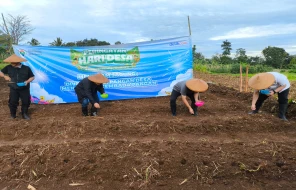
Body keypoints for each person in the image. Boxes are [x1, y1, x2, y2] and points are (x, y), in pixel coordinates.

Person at [0, 54, 35, 120]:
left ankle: (24, 114)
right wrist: (4, 76)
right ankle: (13, 115)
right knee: (12, 101)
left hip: (24, 88)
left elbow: (32, 77)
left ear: (18, 62)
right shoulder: (8, 67)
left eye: (13, 62)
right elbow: (0, 72)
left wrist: (27, 81)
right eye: (11, 62)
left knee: (25, 101)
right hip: (13, 88)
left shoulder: (26, 68)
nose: (11, 63)